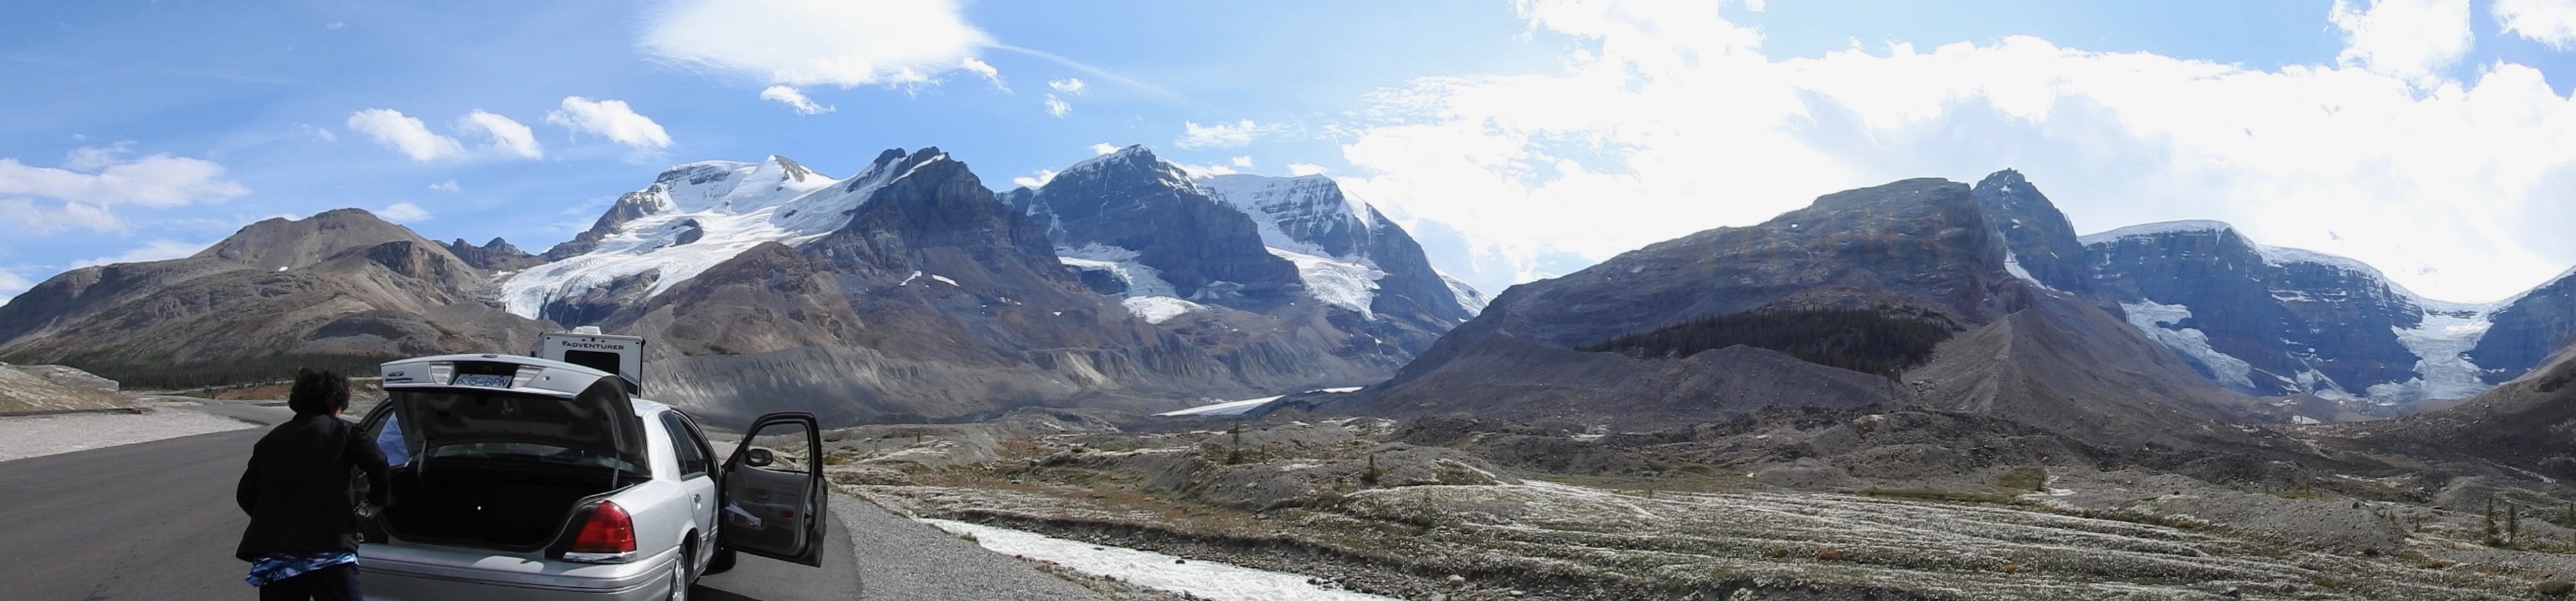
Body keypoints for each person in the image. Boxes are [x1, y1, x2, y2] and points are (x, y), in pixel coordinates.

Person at [235, 368, 390, 601]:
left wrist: (276, 518)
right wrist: (375, 503)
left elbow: (245, 494)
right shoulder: (346, 433)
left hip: (277, 555)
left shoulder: (270, 441)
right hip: (330, 552)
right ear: (338, 402)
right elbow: (379, 463)